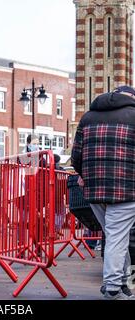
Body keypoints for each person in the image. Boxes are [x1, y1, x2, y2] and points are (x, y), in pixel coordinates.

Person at [71, 85, 135, 300]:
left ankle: (123, 282)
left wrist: (83, 174)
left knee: (115, 235)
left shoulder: (88, 117)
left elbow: (76, 155)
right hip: (126, 188)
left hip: (94, 188)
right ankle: (113, 288)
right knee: (117, 237)